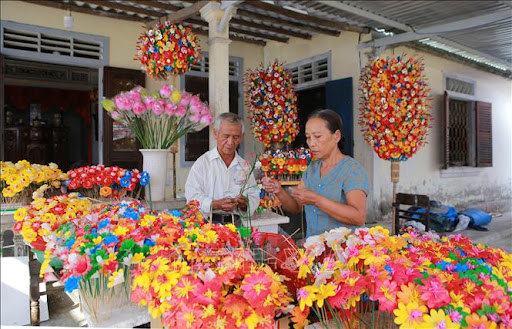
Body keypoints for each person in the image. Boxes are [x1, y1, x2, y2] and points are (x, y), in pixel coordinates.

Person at [262, 109, 369, 237]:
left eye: (317, 136)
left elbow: (358, 217)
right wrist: (278, 191)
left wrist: (317, 200)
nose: (311, 143)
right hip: (315, 249)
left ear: (336, 136)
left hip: (346, 250)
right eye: (308, 137)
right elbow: (297, 207)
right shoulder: (311, 169)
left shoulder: (352, 170)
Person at [185, 112, 260, 225]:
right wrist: (214, 204)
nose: (230, 142)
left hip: (237, 224)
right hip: (208, 225)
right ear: (216, 133)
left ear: (241, 137)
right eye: (226, 136)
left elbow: (254, 197)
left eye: (235, 137)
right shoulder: (203, 163)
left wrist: (245, 204)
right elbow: (192, 198)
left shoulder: (244, 166)